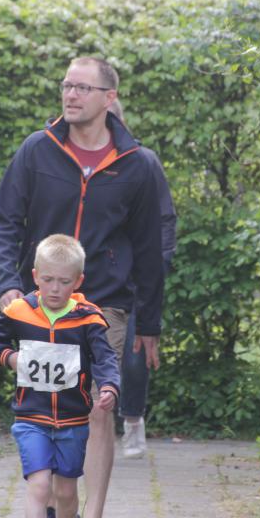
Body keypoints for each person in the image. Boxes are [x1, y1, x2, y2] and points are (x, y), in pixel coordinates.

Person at [0, 56, 165, 518]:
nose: (71, 95)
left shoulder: (137, 164)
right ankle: (52, 504)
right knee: (51, 401)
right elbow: (4, 223)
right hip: (41, 302)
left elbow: (150, 247)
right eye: (67, 85)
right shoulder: (37, 150)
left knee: (100, 405)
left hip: (104, 302)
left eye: (83, 88)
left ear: (109, 98)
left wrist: (149, 322)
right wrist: (8, 286)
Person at [0, 234, 120, 518]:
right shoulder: (19, 311)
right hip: (30, 417)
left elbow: (105, 358)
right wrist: (10, 357)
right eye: (47, 280)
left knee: (65, 492)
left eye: (63, 281)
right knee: (39, 485)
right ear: (35, 276)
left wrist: (109, 387)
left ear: (78, 281)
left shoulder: (88, 318)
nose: (55, 289)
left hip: (73, 420)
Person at [106, 99, 177, 460]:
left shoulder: (144, 162)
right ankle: (89, 430)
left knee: (134, 355)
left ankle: (132, 419)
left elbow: (164, 218)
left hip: (136, 278)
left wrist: (158, 263)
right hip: (96, 277)